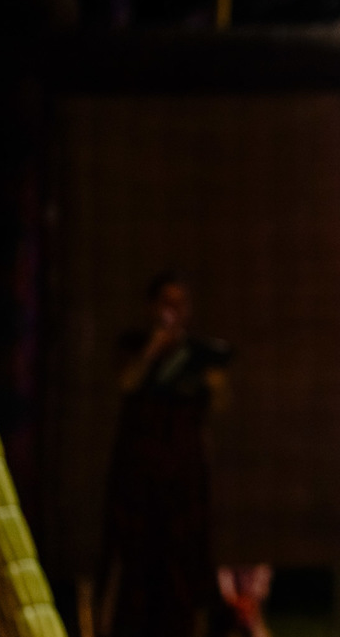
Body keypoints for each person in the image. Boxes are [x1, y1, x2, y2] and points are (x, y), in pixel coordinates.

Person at [98, 272, 231, 637]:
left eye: (180, 303)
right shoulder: (134, 344)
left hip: (184, 475)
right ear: (152, 306)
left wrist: (210, 379)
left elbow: (220, 403)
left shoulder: (200, 353)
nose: (173, 311)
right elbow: (126, 383)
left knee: (184, 564)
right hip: (139, 474)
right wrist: (154, 349)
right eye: (166, 302)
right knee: (137, 563)